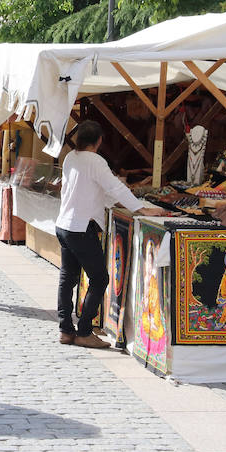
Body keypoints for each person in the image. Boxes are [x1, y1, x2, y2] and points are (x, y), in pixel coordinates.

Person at [56, 120, 163, 348]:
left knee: (67, 279)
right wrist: (140, 209)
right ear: (99, 141)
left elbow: (91, 189)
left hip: (64, 224)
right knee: (100, 279)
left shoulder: (70, 157)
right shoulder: (95, 161)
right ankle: (84, 331)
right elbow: (115, 187)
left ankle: (65, 330)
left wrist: (121, 202)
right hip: (81, 227)